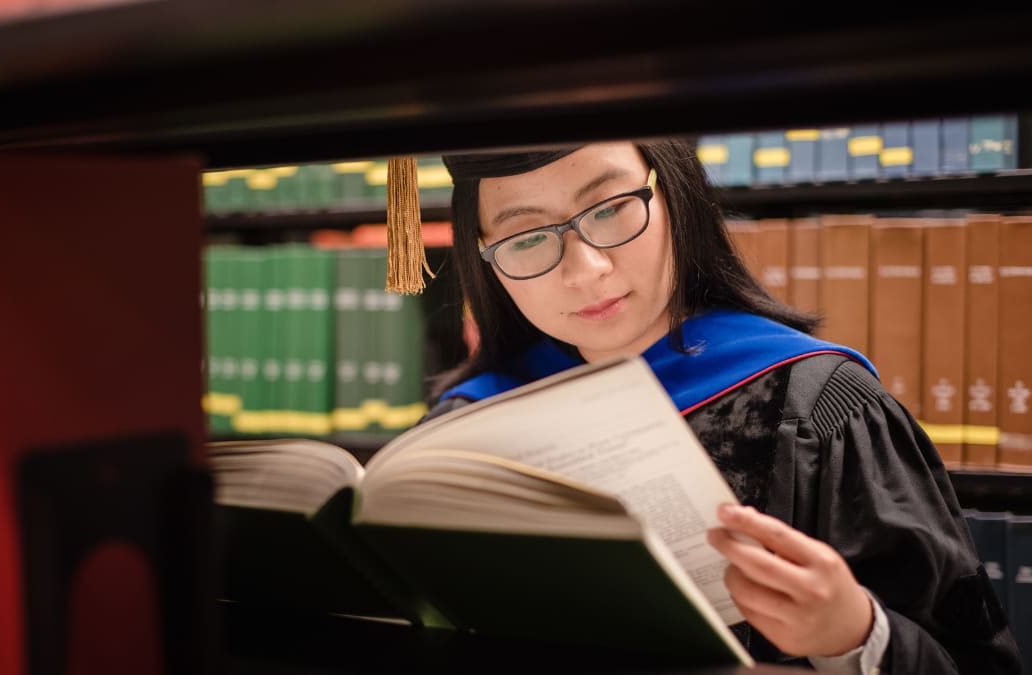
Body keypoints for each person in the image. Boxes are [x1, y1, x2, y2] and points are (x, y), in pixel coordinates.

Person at [418, 139, 1021, 673]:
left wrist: (854, 635)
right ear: (484, 255)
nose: (588, 269)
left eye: (610, 210)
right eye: (527, 239)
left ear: (672, 194)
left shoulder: (818, 405)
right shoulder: (465, 427)